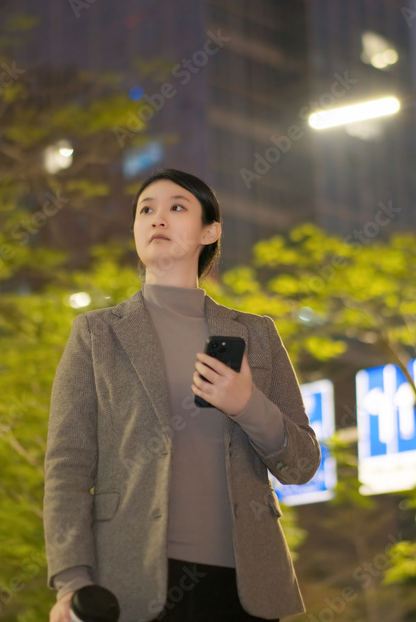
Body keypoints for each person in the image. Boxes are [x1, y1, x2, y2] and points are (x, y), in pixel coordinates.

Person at [44, 168, 322, 622]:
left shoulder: (257, 334)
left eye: (177, 207)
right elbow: (67, 468)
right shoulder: (96, 333)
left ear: (209, 231)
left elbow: (302, 464)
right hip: (130, 582)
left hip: (246, 587)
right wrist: (72, 580)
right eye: (146, 210)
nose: (158, 218)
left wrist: (247, 405)